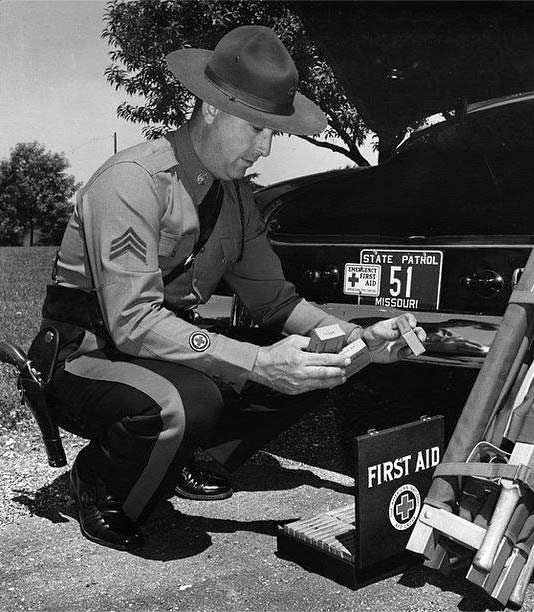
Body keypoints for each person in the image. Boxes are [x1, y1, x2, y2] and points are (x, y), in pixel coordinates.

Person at [40, 25, 426, 551]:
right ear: (211, 108)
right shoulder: (132, 180)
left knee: (317, 363)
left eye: (274, 133)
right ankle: (101, 482)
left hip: (157, 344)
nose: (264, 149)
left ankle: (198, 461)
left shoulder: (237, 198)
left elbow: (277, 302)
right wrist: (257, 363)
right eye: (255, 129)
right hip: (85, 352)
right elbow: (131, 324)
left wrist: (359, 337)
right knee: (185, 401)